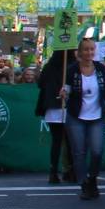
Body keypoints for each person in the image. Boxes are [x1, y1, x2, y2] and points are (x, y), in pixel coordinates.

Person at [58, 37, 105, 200]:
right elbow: (67, 88)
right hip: (76, 116)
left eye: (92, 49)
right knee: (79, 152)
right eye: (86, 49)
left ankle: (92, 178)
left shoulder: (101, 69)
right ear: (80, 52)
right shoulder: (72, 70)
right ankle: (84, 183)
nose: (89, 52)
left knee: (97, 151)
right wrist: (64, 92)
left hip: (97, 115)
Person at [35, 47, 71, 184]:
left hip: (52, 108)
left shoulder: (48, 67)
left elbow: (40, 84)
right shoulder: (72, 66)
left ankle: (54, 171)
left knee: (56, 141)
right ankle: (69, 170)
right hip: (66, 107)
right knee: (70, 141)